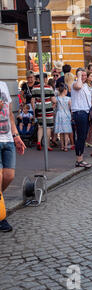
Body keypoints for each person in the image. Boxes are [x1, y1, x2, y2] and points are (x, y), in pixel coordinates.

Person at [0, 82, 26, 232]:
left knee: (9, 176)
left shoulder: (3, 85)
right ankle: (1, 218)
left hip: (8, 139)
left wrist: (16, 136)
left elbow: (9, 114)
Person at [71, 68, 92, 168]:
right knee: (80, 137)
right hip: (79, 112)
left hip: (86, 112)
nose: (83, 77)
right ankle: (79, 160)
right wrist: (78, 76)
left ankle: (80, 158)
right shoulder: (75, 84)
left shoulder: (86, 86)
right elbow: (78, 86)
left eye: (85, 75)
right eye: (81, 75)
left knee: (83, 136)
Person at [31, 73, 56, 151]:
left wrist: (34, 110)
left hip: (39, 109)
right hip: (48, 109)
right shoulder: (49, 88)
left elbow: (32, 101)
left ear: (38, 79)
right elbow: (54, 100)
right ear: (45, 79)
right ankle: (47, 145)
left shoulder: (34, 88)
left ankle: (39, 142)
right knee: (48, 127)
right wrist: (54, 104)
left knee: (40, 126)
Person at [54, 83, 72, 152]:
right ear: (65, 90)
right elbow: (70, 107)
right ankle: (66, 146)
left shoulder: (57, 98)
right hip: (66, 114)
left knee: (61, 132)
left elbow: (55, 106)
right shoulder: (68, 99)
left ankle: (61, 146)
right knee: (66, 132)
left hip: (59, 114)